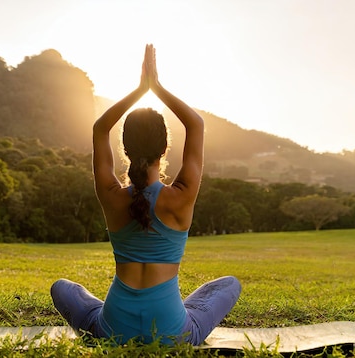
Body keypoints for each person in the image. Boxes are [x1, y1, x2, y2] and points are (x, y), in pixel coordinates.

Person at [50, 44, 241, 346]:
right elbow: (196, 124)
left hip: (113, 331)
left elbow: (100, 129)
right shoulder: (181, 196)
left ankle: (116, 316)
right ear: (165, 149)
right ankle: (175, 314)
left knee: (62, 288)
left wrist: (139, 90)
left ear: (124, 150)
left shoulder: (112, 196)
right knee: (229, 285)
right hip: (172, 334)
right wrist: (156, 87)